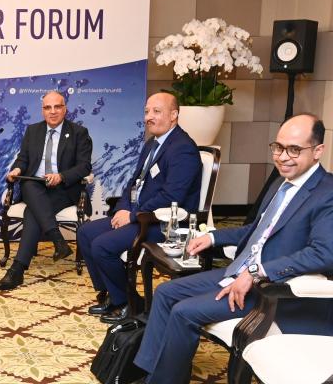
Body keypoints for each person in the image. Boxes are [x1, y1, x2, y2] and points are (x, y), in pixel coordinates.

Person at [134, 113, 333, 384]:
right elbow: (257, 232)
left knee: (183, 312)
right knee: (166, 292)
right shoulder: (281, 182)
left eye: (294, 149)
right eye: (278, 147)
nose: (283, 157)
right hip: (239, 271)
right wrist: (214, 238)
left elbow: (323, 253)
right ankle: (149, 373)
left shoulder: (327, 193)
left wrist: (256, 272)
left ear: (318, 151)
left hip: (271, 291)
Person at [77, 92, 201, 324]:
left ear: (174, 115)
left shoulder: (182, 149)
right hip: (138, 215)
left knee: (102, 245)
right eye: (146, 111)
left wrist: (133, 215)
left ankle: (127, 304)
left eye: (156, 111)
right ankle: (114, 296)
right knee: (85, 233)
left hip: (162, 223)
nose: (148, 117)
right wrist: (123, 209)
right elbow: (134, 183)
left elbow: (172, 196)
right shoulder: (152, 144)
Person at [0, 90, 93, 291]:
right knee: (29, 184)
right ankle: (58, 241)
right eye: (48, 107)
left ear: (65, 109)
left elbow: (84, 167)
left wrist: (61, 176)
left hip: (63, 190)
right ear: (42, 111)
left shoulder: (79, 133)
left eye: (57, 106)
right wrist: (17, 169)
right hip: (35, 186)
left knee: (33, 212)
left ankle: (17, 270)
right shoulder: (33, 131)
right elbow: (23, 158)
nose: (53, 111)